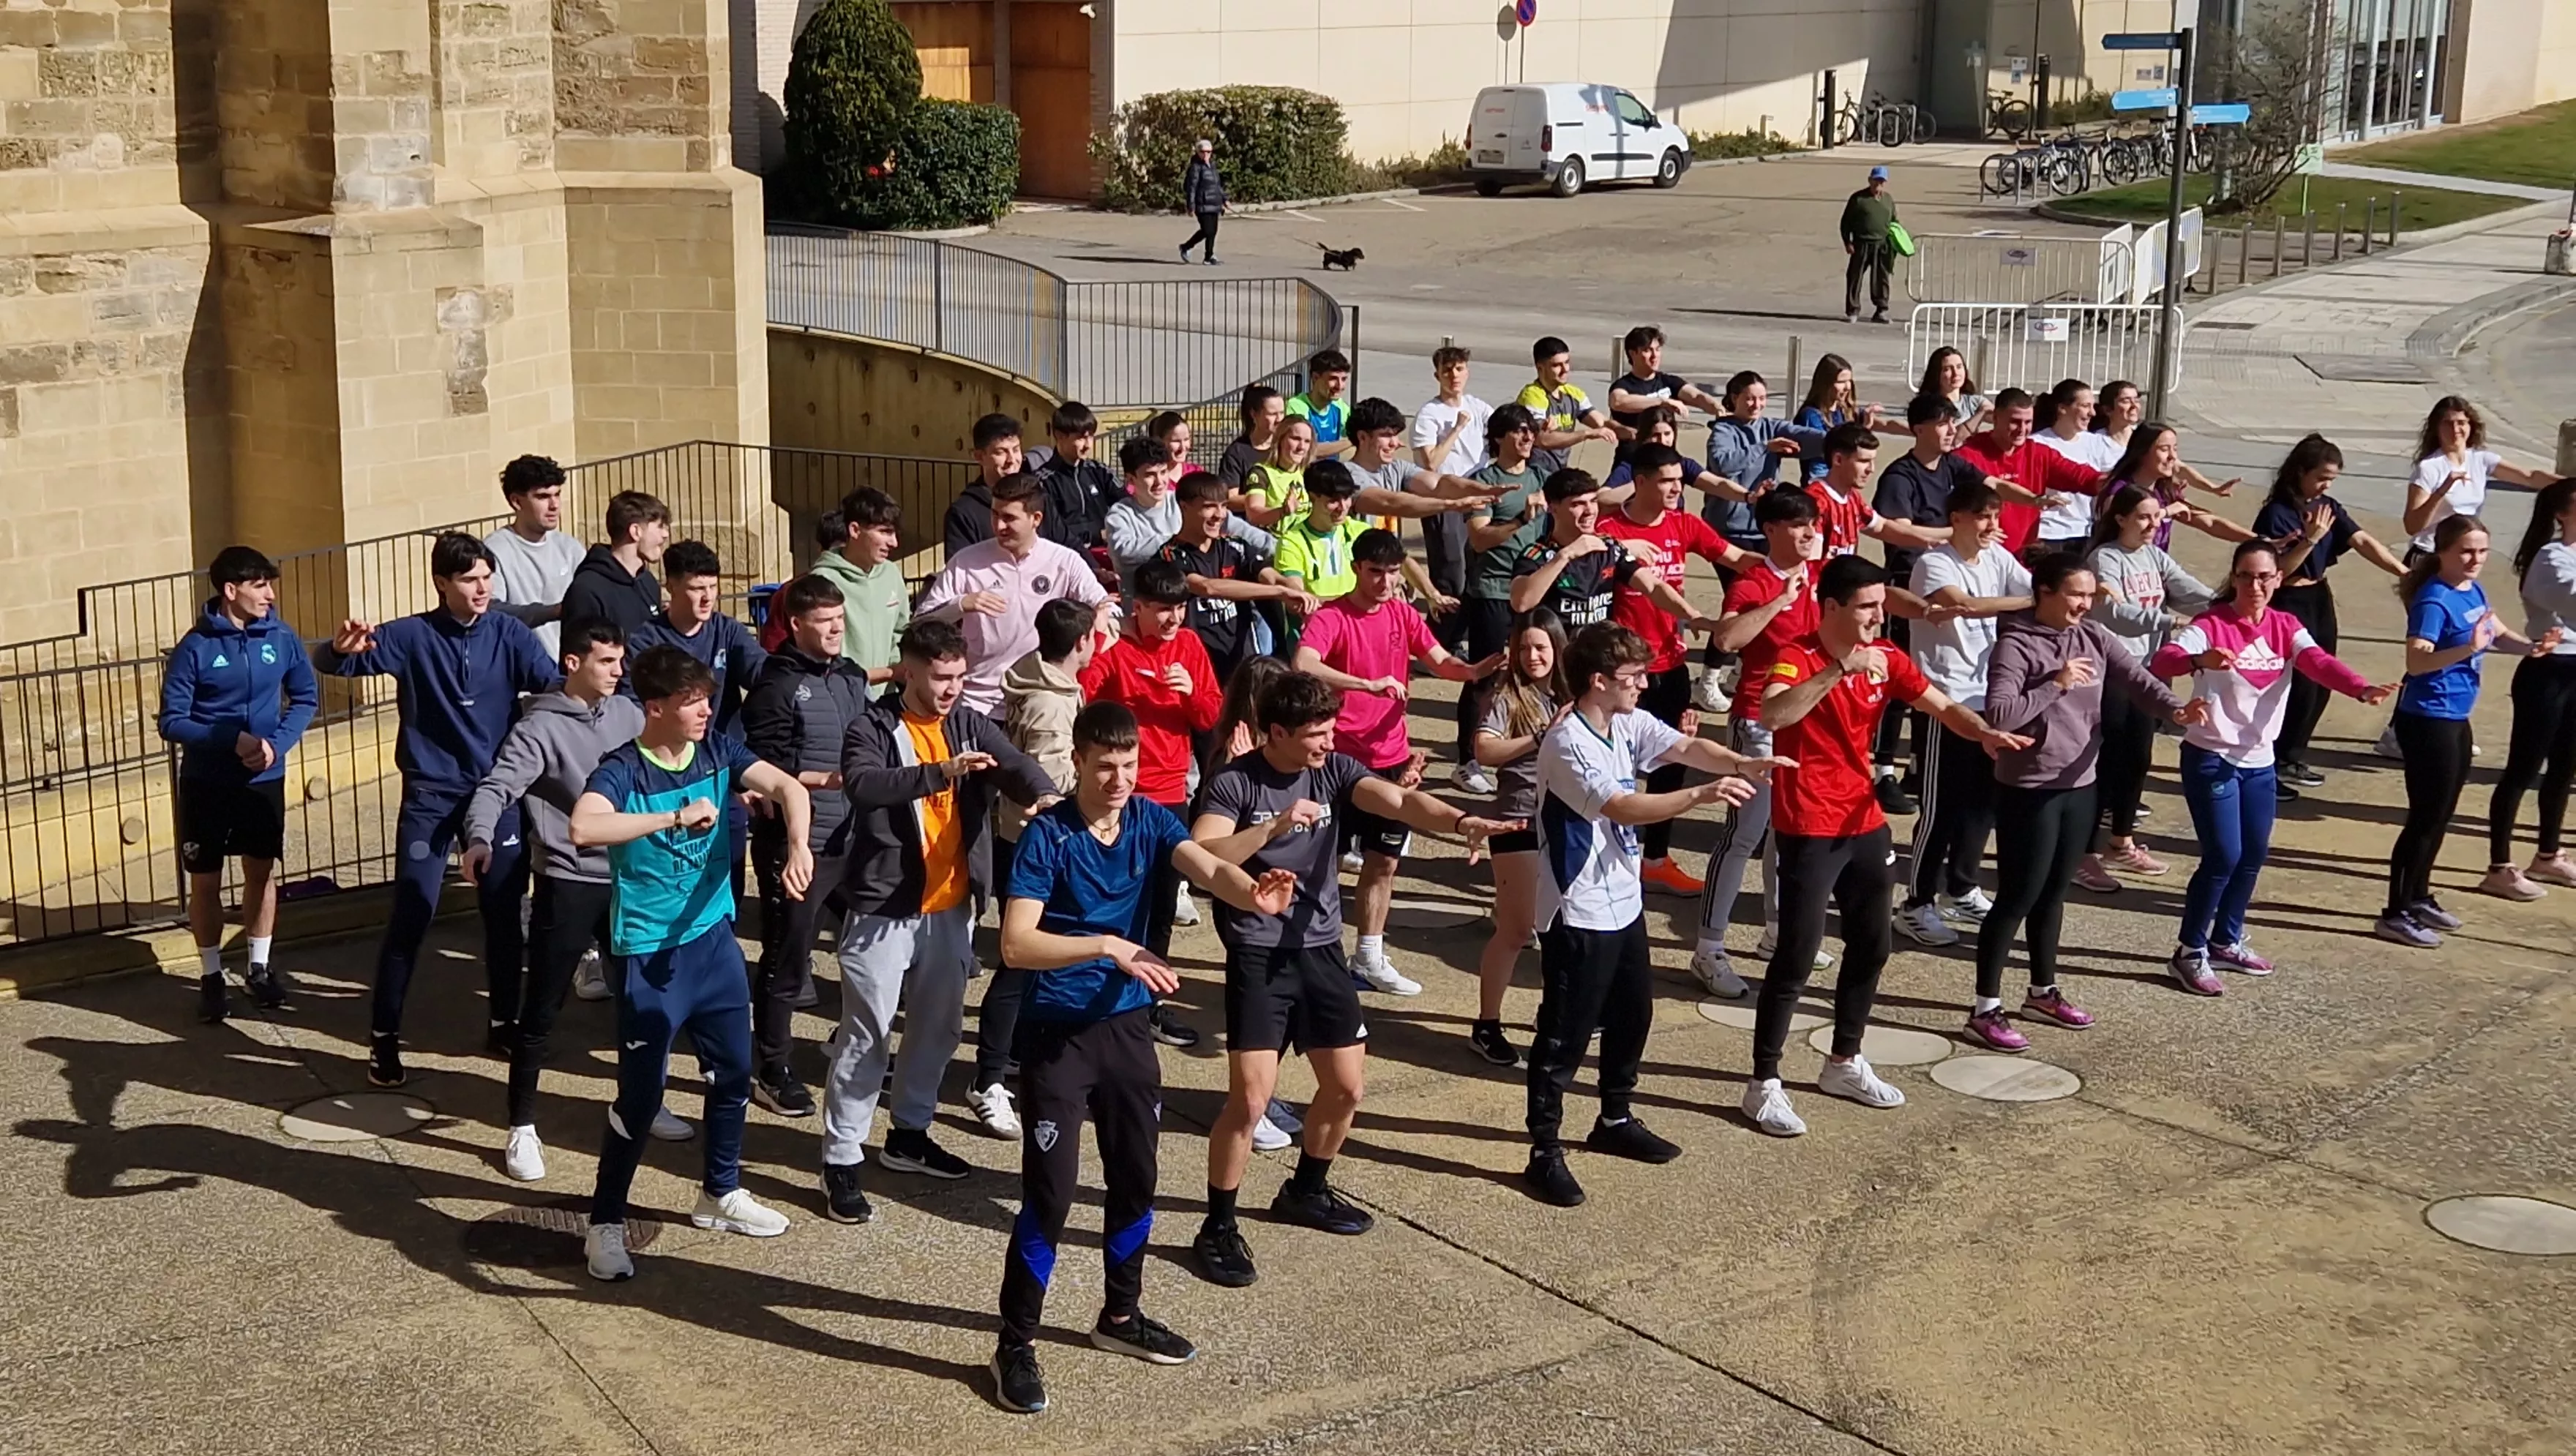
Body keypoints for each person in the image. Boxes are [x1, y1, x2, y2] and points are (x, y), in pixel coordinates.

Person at [992, 702, 1300, 1415]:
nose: (1119, 778)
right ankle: (1015, 1342)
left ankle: (1120, 1319)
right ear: (1077, 759)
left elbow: (1204, 864)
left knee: (1137, 1179)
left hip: (1127, 1032)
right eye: (1106, 765)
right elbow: (1015, 944)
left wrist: (1251, 891)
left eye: (1129, 765)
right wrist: (1108, 944)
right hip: (1058, 1036)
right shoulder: (1049, 835)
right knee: (1051, 1194)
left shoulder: (1151, 819)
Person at [1189, 670, 1516, 1284]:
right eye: (1315, 734)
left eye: (1331, 730)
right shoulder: (1234, 783)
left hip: (1321, 952)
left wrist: (1458, 820)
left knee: (1346, 1089)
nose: (1326, 742)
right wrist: (1273, 828)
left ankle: (1306, 1190)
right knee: (1251, 1100)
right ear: (1276, 732)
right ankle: (1219, 1225)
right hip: (1260, 956)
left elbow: (1399, 801)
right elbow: (1204, 857)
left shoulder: (1336, 770)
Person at [1741, 555, 2029, 1139]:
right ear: (1833, 608)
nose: (1879, 617)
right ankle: (1763, 1084)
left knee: (1872, 946)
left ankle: (1844, 1062)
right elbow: (1774, 712)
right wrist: (1839, 670)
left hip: (1864, 820)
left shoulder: (1888, 659)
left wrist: (1984, 734)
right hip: (1808, 825)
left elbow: (1942, 705)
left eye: (1882, 605)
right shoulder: (1797, 655)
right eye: (1868, 607)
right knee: (1796, 956)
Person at [573, 644, 812, 1282]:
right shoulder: (623, 769)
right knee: (642, 1095)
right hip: (650, 955)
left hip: (714, 945)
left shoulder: (718, 751)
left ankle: (720, 1194)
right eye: (692, 701)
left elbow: (787, 786)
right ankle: (605, 1225)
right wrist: (673, 816)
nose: (707, 709)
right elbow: (584, 827)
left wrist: (796, 846)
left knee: (734, 1073)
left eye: (708, 698)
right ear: (654, 707)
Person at [1524, 623, 1772, 1206]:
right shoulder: (1567, 743)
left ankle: (1613, 1119)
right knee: (1564, 1036)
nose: (1644, 683)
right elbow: (1623, 806)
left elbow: (1686, 748)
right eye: (1633, 677)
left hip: (1623, 902)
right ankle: (1544, 1150)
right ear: (1599, 681)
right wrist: (1698, 797)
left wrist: (1740, 761)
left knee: (1634, 1017)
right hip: (1577, 907)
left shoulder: (1626, 721)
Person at [819, 619, 1057, 1221]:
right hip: (882, 910)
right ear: (909, 670)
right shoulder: (871, 726)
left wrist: (1044, 796)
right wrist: (941, 774)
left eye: (959, 677)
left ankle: (908, 1135)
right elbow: (867, 786)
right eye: (940, 677)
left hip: (950, 908)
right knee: (867, 1035)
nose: (951, 688)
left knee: (939, 1028)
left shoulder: (970, 722)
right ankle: (842, 1157)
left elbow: (1013, 765)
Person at [315, 532, 561, 1087]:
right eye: (470, 579)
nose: (482, 589)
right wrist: (338, 649)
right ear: (442, 583)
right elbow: (333, 664)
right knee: (413, 912)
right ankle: (383, 1037)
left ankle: (503, 1022)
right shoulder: (412, 636)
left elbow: (553, 689)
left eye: (487, 578)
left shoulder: (510, 634)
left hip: (496, 797)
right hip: (430, 798)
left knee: (503, 914)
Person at [1971, 557, 2200, 1049]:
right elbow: (2001, 714)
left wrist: (2176, 710)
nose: (2085, 603)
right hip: (2030, 789)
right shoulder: (2016, 645)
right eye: (2076, 594)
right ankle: (1985, 1008)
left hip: (2080, 785)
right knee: (2017, 897)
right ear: (2046, 592)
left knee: (2054, 895)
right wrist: (2055, 684)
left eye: (2090, 594)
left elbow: (2137, 680)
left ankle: (2042, 992)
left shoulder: (2093, 636)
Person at [2147, 543, 2393, 992]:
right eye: (2246, 576)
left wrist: (2359, 688)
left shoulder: (2286, 626)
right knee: (2223, 856)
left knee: (2253, 856)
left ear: (2278, 579)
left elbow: (2318, 662)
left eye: (2265, 577)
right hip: (2210, 756)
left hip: (2260, 761)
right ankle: (2189, 951)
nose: (2256, 585)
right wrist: (2199, 660)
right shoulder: (2211, 624)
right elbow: (2163, 661)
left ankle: (2227, 940)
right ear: (2235, 578)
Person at [463, 619, 647, 1178]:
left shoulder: (629, 713)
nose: (618, 672)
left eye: (621, 661)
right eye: (606, 662)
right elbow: (498, 787)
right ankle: (521, 1127)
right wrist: (477, 836)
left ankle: (640, 1102)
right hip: (568, 881)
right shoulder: (539, 727)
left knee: (641, 1005)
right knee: (540, 1010)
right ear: (573, 664)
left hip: (629, 880)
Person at [1294, 529, 1504, 995]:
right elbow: (1305, 662)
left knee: (1384, 862)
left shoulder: (1401, 613)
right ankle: (1311, 952)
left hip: (1391, 758)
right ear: (1356, 569)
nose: (1385, 582)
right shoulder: (1332, 615)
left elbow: (1438, 658)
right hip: (1337, 763)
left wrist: (1471, 671)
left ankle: (1368, 955)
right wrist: (1365, 685)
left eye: (1392, 573)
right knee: (1320, 863)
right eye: (1376, 572)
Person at [157, 545, 320, 1022]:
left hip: (264, 777)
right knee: (205, 880)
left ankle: (259, 967)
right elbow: (172, 721)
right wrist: (231, 739)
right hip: (208, 782)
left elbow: (306, 698)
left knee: (261, 872)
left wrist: (277, 745)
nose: (270, 594)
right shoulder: (196, 647)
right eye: (259, 585)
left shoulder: (282, 637)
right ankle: (210, 974)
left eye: (270, 584)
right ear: (232, 591)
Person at [2380, 517, 2558, 946]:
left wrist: (2532, 647)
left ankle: (2419, 896)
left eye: (2481, 550)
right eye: (2465, 550)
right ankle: (2395, 911)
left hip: (2456, 717)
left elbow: (2494, 632)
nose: (2475, 559)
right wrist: (2468, 649)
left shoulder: (2472, 590)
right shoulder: (2434, 600)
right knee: (2424, 818)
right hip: (2427, 718)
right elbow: (2417, 663)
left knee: (2442, 814)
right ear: (2442, 551)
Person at [740, 576, 874, 1117]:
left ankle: (857, 1046)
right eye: (824, 620)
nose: (837, 627)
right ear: (796, 625)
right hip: (798, 847)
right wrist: (816, 780)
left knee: (874, 953)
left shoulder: (851, 676)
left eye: (840, 617)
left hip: (855, 839)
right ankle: (771, 1067)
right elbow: (760, 766)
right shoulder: (775, 684)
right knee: (787, 962)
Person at [1598, 440, 1755, 895]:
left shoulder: (1685, 523)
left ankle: (1656, 859)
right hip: (1623, 670)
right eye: (1665, 480)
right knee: (1616, 766)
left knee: (1671, 761)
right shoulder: (1609, 531)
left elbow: (1734, 557)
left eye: (1678, 480)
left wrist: (1781, 566)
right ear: (1641, 482)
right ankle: (1611, 854)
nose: (1675, 487)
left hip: (1672, 663)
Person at [970, 598, 1099, 1141]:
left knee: (1040, 959)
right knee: (1020, 961)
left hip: (1021, 839)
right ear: (1080, 644)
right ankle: (989, 1079)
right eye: (1094, 635)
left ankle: (1021, 1055)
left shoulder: (1045, 684)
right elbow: (1049, 783)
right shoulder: (1050, 704)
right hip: (1035, 845)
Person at [1079, 560, 1224, 1046]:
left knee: (1162, 905)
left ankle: (1150, 1001)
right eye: (1162, 610)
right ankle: (1099, 995)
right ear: (1136, 608)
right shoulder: (1116, 651)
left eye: (1179, 609)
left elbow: (1212, 717)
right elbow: (1081, 699)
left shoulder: (1189, 647)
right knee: (1111, 899)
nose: (1172, 620)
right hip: (1119, 797)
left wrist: (1189, 696)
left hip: (1169, 794)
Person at [1691, 488, 1824, 996]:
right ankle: (1709, 949)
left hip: (1805, 721)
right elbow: (1726, 641)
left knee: (1787, 835)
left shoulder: (1822, 574)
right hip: (1757, 724)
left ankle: (1776, 932)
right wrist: (1780, 602)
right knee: (1743, 835)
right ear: (1771, 530)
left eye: (1812, 523)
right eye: (1797, 525)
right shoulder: (1754, 583)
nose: (1809, 532)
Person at [1895, 481, 2035, 949]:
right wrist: (2031, 602)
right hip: (1944, 700)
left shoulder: (1997, 557)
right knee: (1940, 807)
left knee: (1982, 803)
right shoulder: (1934, 563)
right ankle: (1916, 904)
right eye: (1981, 516)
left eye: (1995, 516)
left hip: (1988, 699)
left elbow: (2033, 586)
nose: (1991, 526)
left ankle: (1961, 887)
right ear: (1956, 519)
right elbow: (1963, 605)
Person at [1866, 392, 2015, 811]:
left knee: (1932, 679)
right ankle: (1883, 769)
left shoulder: (1954, 466)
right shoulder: (1901, 476)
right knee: (1901, 681)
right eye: (1944, 423)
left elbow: (1992, 487)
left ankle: (1919, 762)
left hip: (1948, 576)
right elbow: (1894, 529)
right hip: (1909, 584)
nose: (1953, 430)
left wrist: (2034, 501)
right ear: (1919, 429)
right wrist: (1951, 535)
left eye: (1954, 422)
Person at [2083, 486, 2217, 888]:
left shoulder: (2154, 556)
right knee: (2104, 763)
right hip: (2113, 672)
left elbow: (2188, 588)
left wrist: (2225, 605)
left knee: (2138, 758)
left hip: (2147, 671)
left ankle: (2121, 841)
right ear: (2121, 518)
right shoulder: (2103, 559)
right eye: (2144, 517)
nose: (2153, 524)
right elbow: (2117, 615)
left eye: (2157, 517)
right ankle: (2084, 854)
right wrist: (2170, 622)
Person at [2253, 436, 2401, 791]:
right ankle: (2272, 761)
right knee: (2299, 685)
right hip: (2288, 600)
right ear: (2301, 471)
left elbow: (2362, 541)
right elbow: (2278, 572)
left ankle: (2293, 755)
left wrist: (2404, 572)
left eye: (2332, 480)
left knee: (2323, 681)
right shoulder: (2277, 513)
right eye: (2322, 477)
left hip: (2318, 596)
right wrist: (2311, 539)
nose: (2326, 486)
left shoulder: (2327, 506)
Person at [916, 472, 1114, 719]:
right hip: (978, 704)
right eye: (995, 515)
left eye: (1009, 518)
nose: (999, 526)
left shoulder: (1065, 561)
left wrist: (1100, 617)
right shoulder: (967, 561)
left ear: (1036, 519)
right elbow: (920, 623)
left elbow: (1104, 607)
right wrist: (962, 604)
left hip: (1041, 700)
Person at [1472, 608, 1567, 1067]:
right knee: (1516, 929)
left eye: (1541, 647)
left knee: (1563, 927)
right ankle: (1487, 1024)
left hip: (1564, 824)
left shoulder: (1572, 693)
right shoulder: (1506, 697)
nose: (1532, 656)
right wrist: (1537, 738)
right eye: (1524, 647)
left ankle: (1554, 1016)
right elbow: (1484, 750)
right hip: (1518, 822)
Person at [2487, 478, 2576, 900]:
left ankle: (2548, 855)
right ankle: (2500, 865)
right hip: (2548, 671)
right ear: (2561, 514)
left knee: (2564, 768)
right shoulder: (2549, 557)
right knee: (2523, 769)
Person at [1459, 405, 1553, 790]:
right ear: (1498, 437)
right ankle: (1468, 759)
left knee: (1536, 670)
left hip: (1533, 590)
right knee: (1487, 675)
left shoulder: (1542, 478)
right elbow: (1479, 538)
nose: (1527, 437)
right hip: (1492, 591)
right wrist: (1519, 522)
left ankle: (1522, 750)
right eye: (1518, 431)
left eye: (1530, 431)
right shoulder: (1483, 482)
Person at [1508, 467, 1723, 636]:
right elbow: (1522, 602)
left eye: (1593, 501)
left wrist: (1692, 615)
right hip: (1554, 664)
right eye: (1578, 504)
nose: (1590, 510)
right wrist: (1566, 555)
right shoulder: (1537, 554)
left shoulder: (1608, 548)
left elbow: (1653, 586)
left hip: (1596, 662)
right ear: (1553, 508)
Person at [1159, 473, 1312, 692]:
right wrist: (1278, 592)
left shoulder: (1235, 546)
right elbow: (1207, 587)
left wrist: (1297, 594)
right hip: (1198, 668)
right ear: (1184, 507)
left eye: (1224, 506)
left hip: (1241, 665)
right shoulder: (1169, 555)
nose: (1219, 515)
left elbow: (1270, 575)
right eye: (1209, 507)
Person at [629, 540, 765, 735]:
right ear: (671, 587)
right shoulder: (645, 642)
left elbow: (763, 674)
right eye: (697, 588)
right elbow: (633, 706)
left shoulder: (727, 630)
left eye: (713, 586)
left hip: (726, 751)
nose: (708, 597)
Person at [2400, 396, 2561, 560]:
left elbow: (2530, 477)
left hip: (2463, 555)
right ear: (2437, 428)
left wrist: (2568, 484)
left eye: (2461, 423)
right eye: (2448, 423)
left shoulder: (2481, 460)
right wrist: (2442, 491)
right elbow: (2412, 526)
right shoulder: (2429, 468)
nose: (2455, 429)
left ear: (2471, 426)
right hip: (2429, 556)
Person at [1952, 391, 2107, 556]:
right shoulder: (1968, 455)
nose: (2022, 429)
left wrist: (2115, 482)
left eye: (2028, 422)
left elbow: (2082, 477)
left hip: (2023, 558)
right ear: (1995, 418)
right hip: (1979, 554)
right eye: (2015, 422)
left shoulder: (2037, 453)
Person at [800, 486, 911, 682]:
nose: (894, 543)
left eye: (894, 533)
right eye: (885, 532)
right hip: (842, 698)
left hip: (885, 700)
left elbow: (900, 632)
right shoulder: (824, 579)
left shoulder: (892, 573)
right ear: (855, 530)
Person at [482, 454, 585, 656]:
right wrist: (554, 612)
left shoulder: (570, 548)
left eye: (557, 494)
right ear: (516, 502)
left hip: (573, 673)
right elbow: (491, 610)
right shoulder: (495, 550)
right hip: (525, 680)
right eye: (543, 497)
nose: (555, 505)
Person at [1804, 422, 1951, 563]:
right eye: (1863, 461)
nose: (1871, 469)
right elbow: (1810, 561)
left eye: (1873, 461)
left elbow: (1882, 527)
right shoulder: (1816, 502)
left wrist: (1926, 541)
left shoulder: (1852, 496)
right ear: (1838, 460)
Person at [2104, 421, 2250, 553]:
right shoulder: (2119, 491)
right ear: (2142, 453)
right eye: (2164, 449)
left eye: (2175, 449)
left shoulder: (2164, 491)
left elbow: (2210, 523)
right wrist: (2165, 512)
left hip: (2156, 574)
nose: (2172, 456)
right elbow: (2114, 535)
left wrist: (2257, 540)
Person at [2029, 379, 2125, 553]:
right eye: (2085, 406)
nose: (2092, 413)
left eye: (2093, 406)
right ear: (2062, 408)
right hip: (2047, 534)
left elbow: (2127, 468)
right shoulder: (2036, 443)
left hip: (2084, 533)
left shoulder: (2096, 442)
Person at [561, 490, 670, 639]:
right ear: (635, 531)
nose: (666, 534)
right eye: (660, 526)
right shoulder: (587, 589)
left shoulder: (648, 582)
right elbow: (581, 653)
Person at [1519, 334, 1621, 478]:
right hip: (1533, 472)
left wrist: (1633, 432)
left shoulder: (1573, 393)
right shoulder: (1532, 395)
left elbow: (1601, 423)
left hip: (1558, 471)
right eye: (1556, 365)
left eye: (1567, 362)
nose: (1565, 369)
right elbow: (1542, 440)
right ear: (1540, 368)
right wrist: (1587, 434)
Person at [1792, 353, 1903, 482]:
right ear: (1825, 384)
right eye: (1841, 382)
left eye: (1849, 381)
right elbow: (1831, 447)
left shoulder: (1845, 410)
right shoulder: (1811, 415)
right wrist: (1864, 431)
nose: (1847, 387)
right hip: (1820, 482)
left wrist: (1918, 430)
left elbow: (1886, 424)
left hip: (1843, 481)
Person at [1608, 325, 1728, 440]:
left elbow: (1696, 396)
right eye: (1647, 350)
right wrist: (1662, 402)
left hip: (1666, 457)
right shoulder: (1624, 386)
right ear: (1633, 353)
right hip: (1632, 457)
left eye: (1658, 349)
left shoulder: (1668, 382)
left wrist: (1717, 408)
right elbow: (1618, 401)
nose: (1655, 356)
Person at [1036, 400, 1120, 552]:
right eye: (1081, 438)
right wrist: (1096, 536)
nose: (1088, 445)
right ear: (1060, 436)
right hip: (1067, 559)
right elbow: (1052, 532)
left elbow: (1126, 505)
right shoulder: (1044, 482)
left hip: (1109, 556)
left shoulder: (1100, 471)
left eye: (1091, 437)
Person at [942, 413, 1028, 557]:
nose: (1012, 460)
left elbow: (1066, 545)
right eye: (1001, 452)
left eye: (1016, 450)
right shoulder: (963, 513)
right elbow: (960, 570)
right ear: (979, 456)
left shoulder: (1038, 496)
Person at [1838, 163, 1900, 323]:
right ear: (1869, 180)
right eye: (1876, 180)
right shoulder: (1858, 199)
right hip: (1861, 244)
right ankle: (1853, 310)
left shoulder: (1888, 200)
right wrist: (1848, 242)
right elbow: (1845, 222)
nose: (1878, 184)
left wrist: (1896, 243)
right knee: (1855, 277)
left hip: (1882, 245)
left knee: (1882, 279)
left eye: (1881, 181)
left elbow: (1894, 222)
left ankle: (1881, 311)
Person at [1240, 415, 1316, 530]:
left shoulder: (1309, 472)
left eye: (1307, 441)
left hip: (1302, 543)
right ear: (1280, 440)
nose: (1302, 447)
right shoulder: (1261, 473)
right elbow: (1254, 514)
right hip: (1271, 543)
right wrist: (1282, 511)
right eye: (1295, 439)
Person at [1286, 350, 1354, 460]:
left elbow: (1360, 431)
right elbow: (1309, 450)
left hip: (1330, 473)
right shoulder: (1296, 406)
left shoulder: (1339, 406)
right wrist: (1353, 440)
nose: (1340, 386)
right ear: (1316, 377)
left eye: (1344, 379)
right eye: (1333, 379)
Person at [1218, 385, 1284, 487]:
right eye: (1272, 414)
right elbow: (1231, 495)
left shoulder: (1286, 445)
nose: (1279, 419)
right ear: (1254, 414)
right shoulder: (1237, 452)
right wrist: (1260, 498)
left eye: (1282, 413)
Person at [1917, 347, 1991, 435]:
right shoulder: (1928, 406)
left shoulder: (1974, 402)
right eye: (1947, 369)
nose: (1956, 374)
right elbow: (1956, 438)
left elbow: (1999, 417)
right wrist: (1980, 414)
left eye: (1959, 367)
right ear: (1936, 374)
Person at [1178, 138, 1228, 265]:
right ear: (1198, 153)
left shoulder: (1213, 166)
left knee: (1213, 231)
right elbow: (1192, 187)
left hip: (1215, 203)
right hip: (1202, 203)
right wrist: (1191, 205)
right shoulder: (1195, 168)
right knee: (1207, 230)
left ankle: (1209, 257)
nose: (1206, 155)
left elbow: (1218, 185)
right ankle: (1186, 247)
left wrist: (1224, 199)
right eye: (1203, 152)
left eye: (1209, 152)